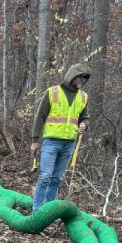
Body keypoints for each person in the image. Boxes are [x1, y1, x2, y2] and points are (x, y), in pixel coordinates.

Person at [30, 62, 91, 211]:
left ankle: (49, 210)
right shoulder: (52, 92)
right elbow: (40, 117)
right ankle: (37, 212)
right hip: (51, 142)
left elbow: (85, 117)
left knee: (56, 179)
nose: (82, 81)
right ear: (72, 76)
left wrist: (84, 124)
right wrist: (34, 140)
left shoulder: (83, 97)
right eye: (80, 78)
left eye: (84, 79)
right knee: (45, 176)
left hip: (69, 144)